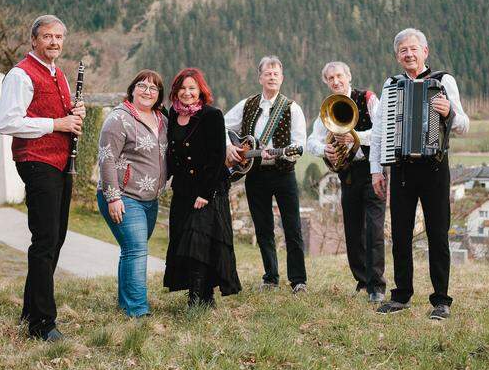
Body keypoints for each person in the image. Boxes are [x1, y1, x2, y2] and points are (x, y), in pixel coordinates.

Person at [369, 28, 469, 320]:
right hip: (401, 169)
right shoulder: (391, 85)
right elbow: (379, 132)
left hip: (435, 167)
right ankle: (401, 296)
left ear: (425, 51)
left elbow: (464, 125)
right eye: (403, 50)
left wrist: (450, 111)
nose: (409, 54)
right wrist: (376, 169)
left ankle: (441, 300)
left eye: (414, 49)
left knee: (438, 233)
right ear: (397, 56)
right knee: (400, 234)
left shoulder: (443, 80)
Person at [0, 15, 85, 341]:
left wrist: (74, 114)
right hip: (37, 162)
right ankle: (42, 324)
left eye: (59, 37)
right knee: (45, 241)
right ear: (33, 40)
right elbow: (8, 122)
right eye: (47, 36)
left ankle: (30, 310)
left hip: (60, 163)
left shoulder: (58, 74)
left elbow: (59, 114)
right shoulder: (20, 75)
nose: (54, 42)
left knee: (55, 238)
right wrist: (57, 124)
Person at [224, 56, 308, 293]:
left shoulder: (293, 107)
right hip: (255, 174)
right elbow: (221, 122)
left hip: (283, 174)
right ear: (260, 77)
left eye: (276, 73)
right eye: (267, 73)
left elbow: (299, 145)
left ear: (282, 78)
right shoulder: (247, 104)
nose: (272, 76)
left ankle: (298, 280)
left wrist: (282, 154)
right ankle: (270, 277)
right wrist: (229, 146)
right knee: (263, 228)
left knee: (293, 228)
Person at [307, 61, 386, 302]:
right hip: (348, 173)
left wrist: (355, 137)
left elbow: (384, 130)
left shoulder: (368, 98)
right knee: (353, 230)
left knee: (374, 229)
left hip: (374, 169)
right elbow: (311, 142)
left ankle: (377, 287)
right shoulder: (329, 108)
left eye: (339, 76)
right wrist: (325, 150)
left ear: (349, 76)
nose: (336, 81)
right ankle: (362, 281)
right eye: (330, 78)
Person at [164, 68, 241, 307]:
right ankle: (204, 296)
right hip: (183, 190)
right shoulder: (172, 116)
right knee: (184, 244)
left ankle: (197, 298)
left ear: (200, 91)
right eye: (182, 88)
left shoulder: (212, 115)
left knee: (199, 244)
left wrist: (205, 193)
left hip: (209, 189)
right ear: (176, 91)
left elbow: (217, 156)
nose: (187, 93)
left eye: (192, 88)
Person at [96, 70, 168, 318]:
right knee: (137, 249)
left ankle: (125, 302)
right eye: (142, 86)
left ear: (159, 95)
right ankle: (138, 310)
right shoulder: (118, 119)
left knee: (131, 249)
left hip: (150, 199)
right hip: (124, 196)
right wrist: (113, 197)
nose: (147, 91)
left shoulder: (162, 119)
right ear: (132, 89)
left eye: (153, 88)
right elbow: (106, 160)